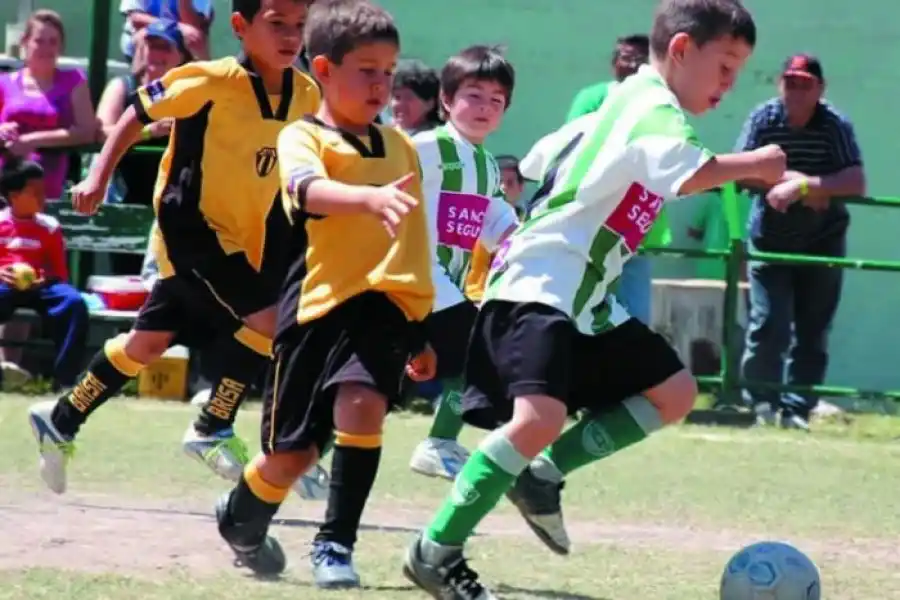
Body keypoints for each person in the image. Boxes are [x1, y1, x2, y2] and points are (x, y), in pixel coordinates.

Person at [402, 1, 787, 596]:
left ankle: (542, 476)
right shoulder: (653, 108)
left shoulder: (624, 104)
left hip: (587, 297)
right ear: (681, 50)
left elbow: (541, 158)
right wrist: (756, 164)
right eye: (725, 65)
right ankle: (436, 550)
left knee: (674, 392)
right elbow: (689, 174)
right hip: (542, 280)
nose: (730, 83)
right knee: (538, 418)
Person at [26, 0, 321, 497]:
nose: (290, 36)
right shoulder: (207, 79)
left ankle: (62, 417)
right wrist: (98, 177)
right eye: (277, 25)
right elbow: (136, 112)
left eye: (299, 25)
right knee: (272, 323)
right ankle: (214, 425)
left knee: (146, 345)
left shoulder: (306, 93)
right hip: (194, 232)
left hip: (248, 239)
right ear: (240, 26)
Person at [212, 0, 435, 587]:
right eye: (367, 70)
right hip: (316, 311)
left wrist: (420, 327)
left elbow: (413, 243)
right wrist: (368, 199)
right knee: (294, 453)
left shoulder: (401, 147)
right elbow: (306, 190)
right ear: (324, 70)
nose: (381, 84)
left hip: (380, 308)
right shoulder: (302, 135)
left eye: (389, 72)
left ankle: (334, 544)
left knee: (363, 405)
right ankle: (241, 520)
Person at [407, 46, 519, 482]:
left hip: (445, 284)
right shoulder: (425, 147)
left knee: (373, 385)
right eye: (474, 95)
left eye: (496, 100)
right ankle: (439, 443)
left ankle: (300, 454)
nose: (485, 107)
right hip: (416, 276)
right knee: (478, 348)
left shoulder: (486, 164)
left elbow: (494, 220)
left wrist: (523, 239)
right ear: (446, 99)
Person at [737, 54, 866, 430]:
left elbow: (856, 181)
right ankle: (761, 403)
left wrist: (804, 187)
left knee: (813, 329)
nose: (796, 91)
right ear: (780, 84)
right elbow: (740, 169)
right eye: (790, 82)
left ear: (820, 89)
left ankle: (796, 409)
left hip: (823, 242)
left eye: (805, 84)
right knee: (769, 323)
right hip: (771, 240)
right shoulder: (764, 118)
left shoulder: (834, 123)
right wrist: (793, 181)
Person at [564, 33, 671, 326]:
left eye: (642, 59)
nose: (634, 65)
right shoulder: (593, 98)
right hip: (592, 224)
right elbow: (575, 148)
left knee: (635, 320)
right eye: (627, 58)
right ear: (614, 63)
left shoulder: (662, 104)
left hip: (636, 228)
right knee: (583, 314)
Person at [97, 19, 191, 276]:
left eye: (165, 47)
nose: (157, 54)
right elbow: (102, 132)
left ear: (180, 56)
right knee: (124, 280)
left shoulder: (190, 92)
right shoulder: (123, 86)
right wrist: (150, 131)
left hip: (173, 207)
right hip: (126, 202)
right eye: (152, 46)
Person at [0, 158, 88, 390]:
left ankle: (65, 380)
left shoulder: (49, 227)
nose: (43, 198)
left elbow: (59, 272)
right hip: (4, 285)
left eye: (44, 191)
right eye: (35, 193)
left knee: (73, 303)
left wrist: (44, 279)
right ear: (14, 196)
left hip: (41, 287)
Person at [0, 10, 97, 201]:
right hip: (5, 184)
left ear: (61, 46)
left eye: (53, 42)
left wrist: (31, 140)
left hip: (48, 187)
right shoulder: (4, 82)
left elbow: (86, 131)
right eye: (39, 41)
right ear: (25, 42)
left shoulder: (74, 81)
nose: (46, 48)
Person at [120, 0, 215, 62]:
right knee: (142, 36)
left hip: (178, 46)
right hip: (146, 38)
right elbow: (136, 19)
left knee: (196, 38)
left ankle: (206, 80)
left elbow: (193, 26)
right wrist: (178, 27)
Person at [390, 59, 442, 135]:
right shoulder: (383, 133)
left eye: (408, 97)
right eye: (397, 97)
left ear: (429, 104)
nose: (400, 104)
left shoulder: (434, 138)